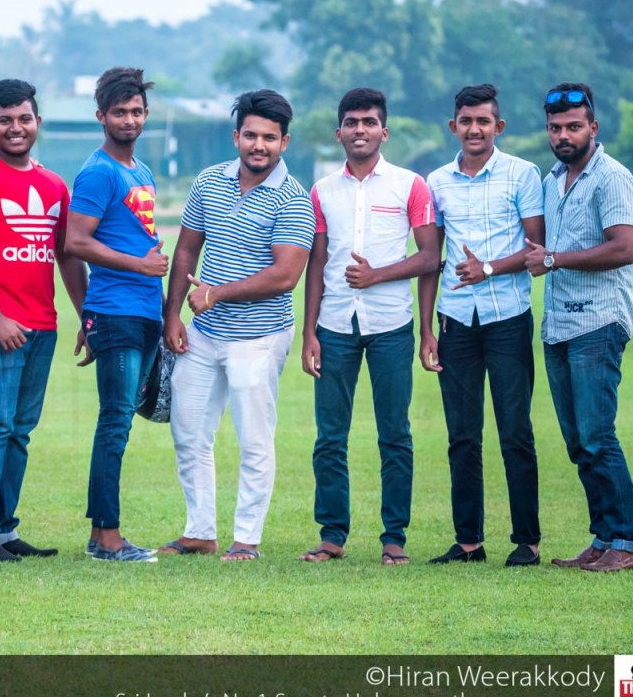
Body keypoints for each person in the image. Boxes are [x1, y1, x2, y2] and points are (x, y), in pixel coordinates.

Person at [161, 89, 313, 561]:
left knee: (253, 440)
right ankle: (200, 532)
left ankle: (246, 540)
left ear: (284, 142)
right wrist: (172, 315)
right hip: (204, 333)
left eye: (269, 137)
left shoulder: (294, 198)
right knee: (189, 431)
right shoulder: (209, 181)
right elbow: (187, 249)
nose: (258, 145)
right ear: (236, 137)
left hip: (259, 337)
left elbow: (285, 276)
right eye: (250, 135)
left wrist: (216, 294)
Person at [0, 79, 89, 563]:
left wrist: (86, 318)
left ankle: (5, 529)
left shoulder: (53, 185)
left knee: (20, 429)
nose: (15, 128)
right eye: (5, 120)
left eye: (24, 119)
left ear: (37, 122)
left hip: (41, 326)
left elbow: (67, 256)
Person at [301, 87, 440, 565]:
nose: (360, 130)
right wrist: (309, 332)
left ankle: (394, 538)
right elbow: (317, 263)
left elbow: (430, 256)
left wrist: (378, 276)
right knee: (329, 437)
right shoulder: (322, 190)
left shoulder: (410, 185)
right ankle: (331, 535)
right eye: (351, 122)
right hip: (335, 325)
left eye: (369, 122)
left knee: (395, 433)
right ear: (338, 132)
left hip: (391, 325)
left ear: (384, 131)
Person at [418, 84, 547, 567]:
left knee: (515, 431)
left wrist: (488, 268)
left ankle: (527, 541)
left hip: (507, 318)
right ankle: (468, 542)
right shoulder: (436, 182)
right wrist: (426, 329)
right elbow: (431, 259)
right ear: (454, 126)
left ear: (499, 126)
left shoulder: (522, 174)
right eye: (467, 121)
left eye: (484, 121)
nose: (475, 130)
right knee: (462, 435)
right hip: (455, 321)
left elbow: (536, 251)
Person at [524, 83, 633, 572]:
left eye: (574, 127)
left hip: (598, 323)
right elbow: (537, 251)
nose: (564, 136)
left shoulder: (612, 178)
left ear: (593, 127)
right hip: (559, 326)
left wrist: (554, 259)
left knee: (598, 436)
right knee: (578, 442)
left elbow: (623, 248)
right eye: (555, 128)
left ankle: (626, 544)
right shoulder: (552, 180)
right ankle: (603, 539)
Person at [66, 67, 167, 563]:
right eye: (119, 112)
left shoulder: (141, 171)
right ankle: (105, 537)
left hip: (144, 312)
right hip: (116, 312)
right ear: (101, 116)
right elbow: (76, 241)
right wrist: (138, 266)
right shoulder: (98, 173)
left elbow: (137, 240)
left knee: (123, 419)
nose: (129, 120)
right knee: (115, 422)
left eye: (136, 111)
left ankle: (105, 534)